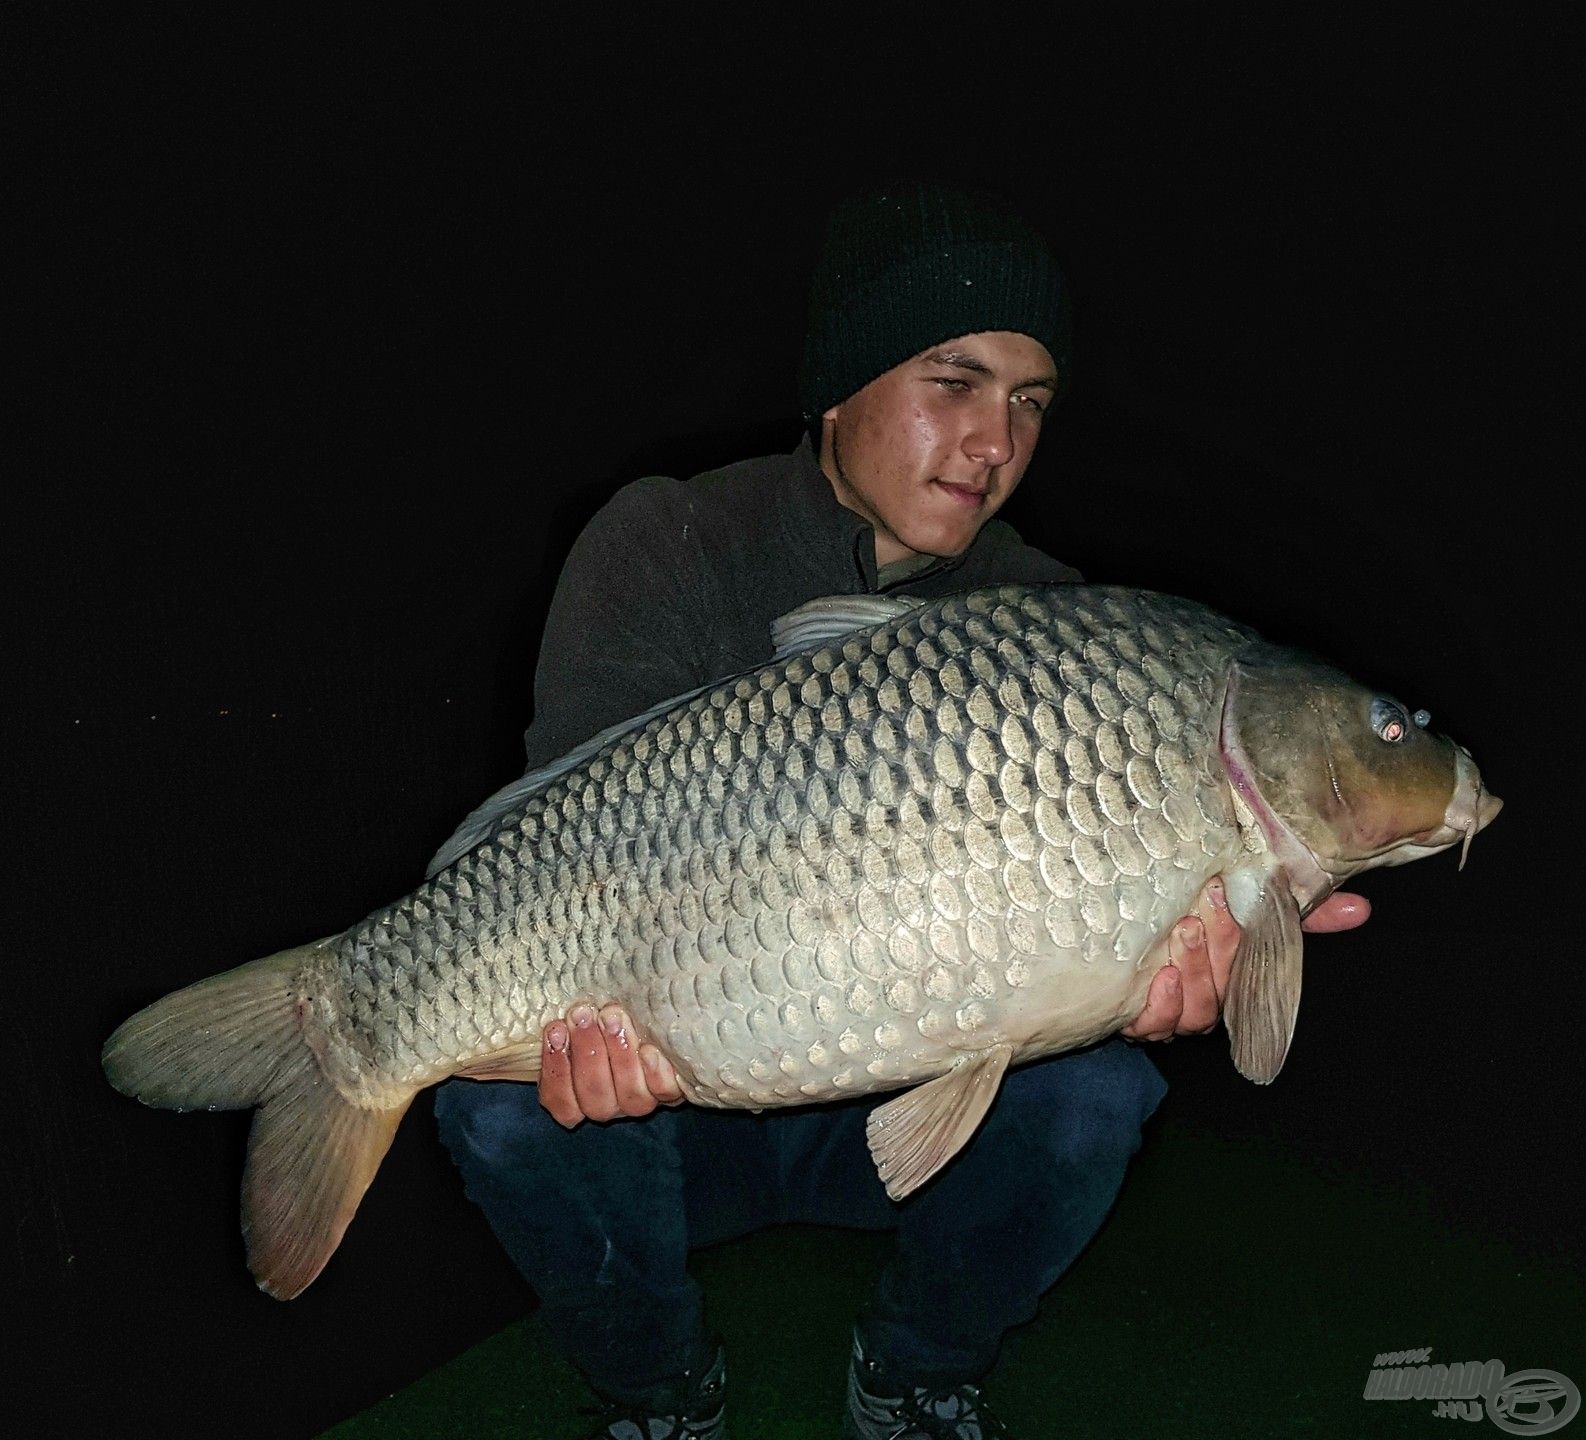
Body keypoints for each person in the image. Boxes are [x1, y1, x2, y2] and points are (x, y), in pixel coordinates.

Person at [432, 181, 1368, 1440]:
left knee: (1098, 1093)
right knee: (494, 1107)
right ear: (837, 384)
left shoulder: (1050, 622)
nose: (996, 442)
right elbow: (574, 852)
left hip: (901, 1117)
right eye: (954, 380)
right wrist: (588, 1030)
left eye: (1029, 403)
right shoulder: (668, 539)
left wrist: (1159, 971)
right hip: (671, 1110)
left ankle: (919, 1371)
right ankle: (657, 1392)